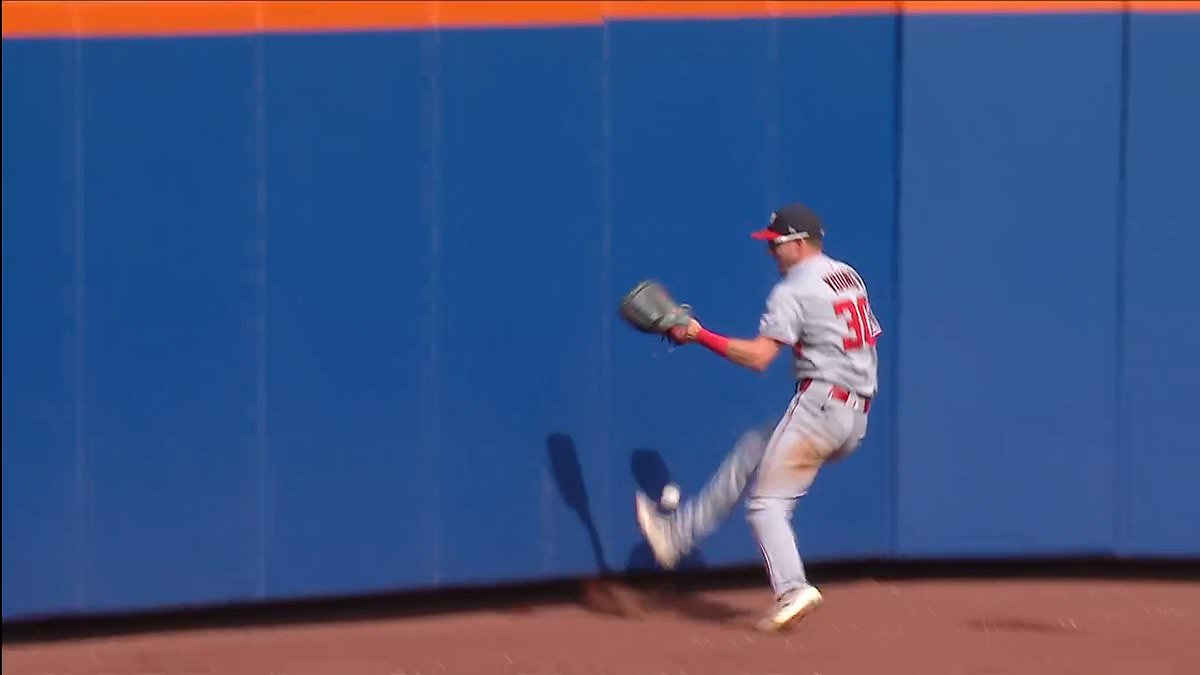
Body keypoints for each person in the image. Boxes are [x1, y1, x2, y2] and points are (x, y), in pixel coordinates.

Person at [634, 202, 881, 632]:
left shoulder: (793, 290)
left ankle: (792, 589)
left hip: (821, 406)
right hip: (855, 414)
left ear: (800, 243)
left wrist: (698, 334)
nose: (771, 253)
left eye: (777, 245)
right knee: (754, 448)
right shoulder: (847, 274)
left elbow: (759, 358)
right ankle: (675, 540)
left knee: (767, 505)